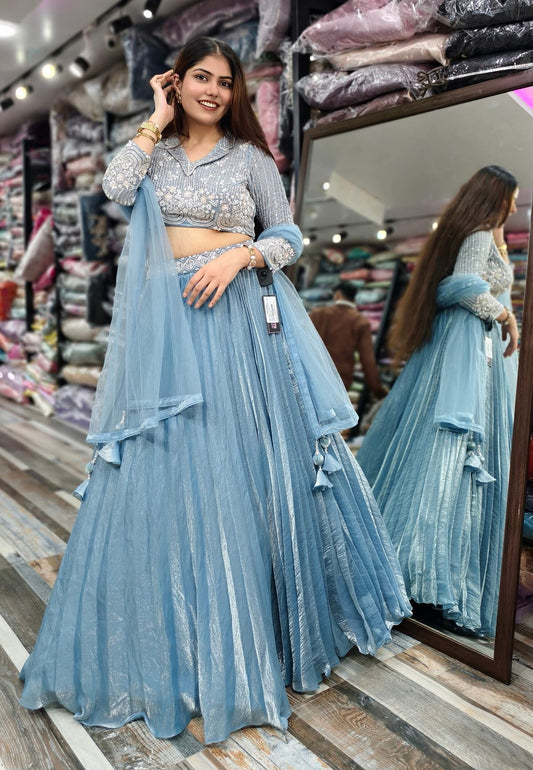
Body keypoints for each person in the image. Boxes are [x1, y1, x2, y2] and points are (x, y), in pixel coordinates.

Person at [19, 37, 410, 744]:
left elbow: (287, 235)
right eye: (200, 78)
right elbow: (114, 188)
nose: (212, 91)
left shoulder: (251, 159)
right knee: (172, 467)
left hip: (238, 321)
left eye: (224, 82)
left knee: (241, 468)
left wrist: (239, 255)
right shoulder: (157, 153)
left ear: (235, 94)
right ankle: (178, 635)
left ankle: (250, 631)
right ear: (178, 82)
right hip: (171, 326)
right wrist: (154, 117)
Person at [356, 166, 519, 638]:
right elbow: (465, 284)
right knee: (448, 452)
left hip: (466, 348)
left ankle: (426, 575)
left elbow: (463, 283)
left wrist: (500, 244)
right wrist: (504, 315)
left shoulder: (482, 233)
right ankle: (427, 577)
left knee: (441, 451)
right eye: (509, 198)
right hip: (465, 348)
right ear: (496, 198)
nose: (514, 206)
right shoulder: (478, 235)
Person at [309, 282, 388, 396]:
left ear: (338, 295)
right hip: (339, 382)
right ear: (354, 299)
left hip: (311, 374)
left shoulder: (318, 314)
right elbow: (367, 361)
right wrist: (378, 390)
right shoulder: (360, 321)